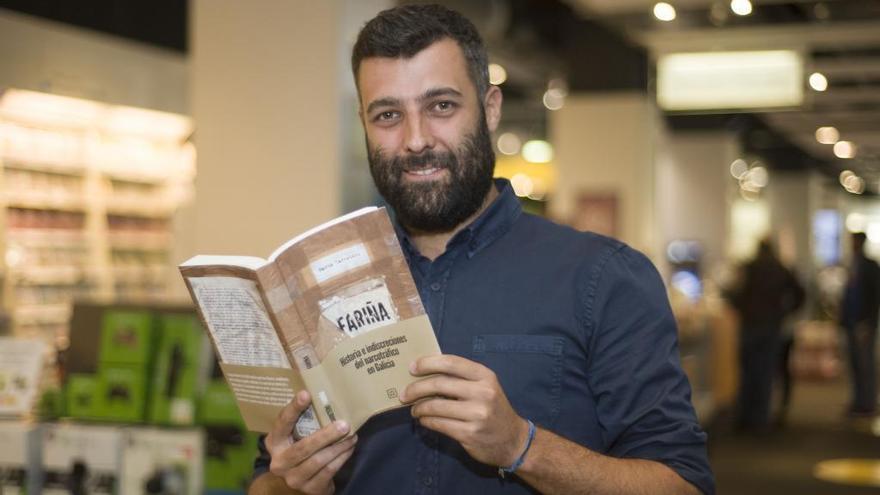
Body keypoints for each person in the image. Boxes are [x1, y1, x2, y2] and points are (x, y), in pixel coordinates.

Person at [249, 5, 713, 494]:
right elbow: (265, 479)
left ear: (490, 109)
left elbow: (682, 485)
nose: (416, 139)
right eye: (388, 115)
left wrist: (522, 447)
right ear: (363, 124)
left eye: (441, 106)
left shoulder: (603, 278)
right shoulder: (315, 287)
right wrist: (292, 483)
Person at [727, 239, 804, 431]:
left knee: (747, 372)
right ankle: (761, 419)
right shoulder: (781, 269)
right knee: (766, 373)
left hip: (750, 326)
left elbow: (735, 293)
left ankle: (746, 417)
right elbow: (800, 294)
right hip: (771, 326)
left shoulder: (750, 267)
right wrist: (785, 312)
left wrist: (741, 310)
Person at [839, 232, 880, 416]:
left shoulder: (870, 266)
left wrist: (867, 320)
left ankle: (867, 403)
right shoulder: (853, 265)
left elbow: (873, 297)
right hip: (851, 322)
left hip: (864, 323)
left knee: (865, 364)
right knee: (855, 364)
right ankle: (859, 401)